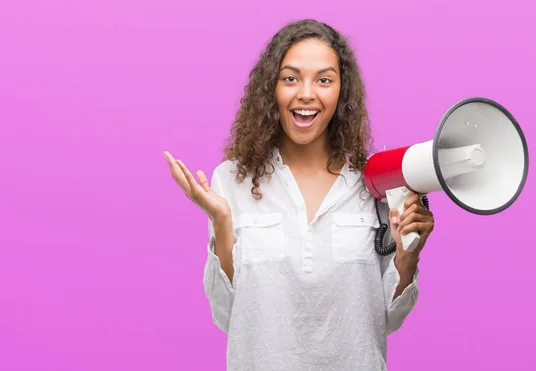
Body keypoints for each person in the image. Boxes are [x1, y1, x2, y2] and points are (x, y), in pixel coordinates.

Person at [164, 18, 435, 371]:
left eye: (324, 80)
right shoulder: (231, 179)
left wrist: (406, 252)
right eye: (290, 78)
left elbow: (389, 319)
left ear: (342, 92)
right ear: (271, 90)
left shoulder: (374, 181)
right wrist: (222, 221)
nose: (306, 93)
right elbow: (227, 315)